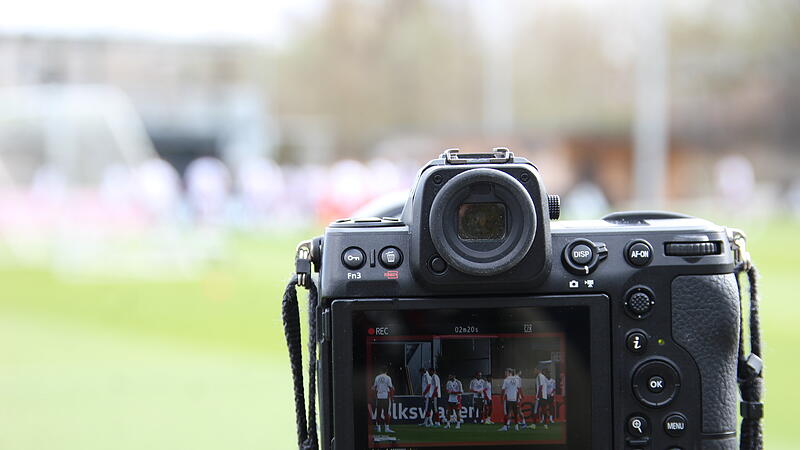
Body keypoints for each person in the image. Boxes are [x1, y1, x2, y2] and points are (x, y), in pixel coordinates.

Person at [372, 367, 395, 433]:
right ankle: (386, 428)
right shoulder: (388, 377)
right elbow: (391, 388)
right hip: (385, 397)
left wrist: (374, 396)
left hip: (379, 397)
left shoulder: (377, 377)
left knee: (378, 413)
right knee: (386, 413)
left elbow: (374, 387)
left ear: (380, 371)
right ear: (386, 371)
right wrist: (392, 397)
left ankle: (378, 428)